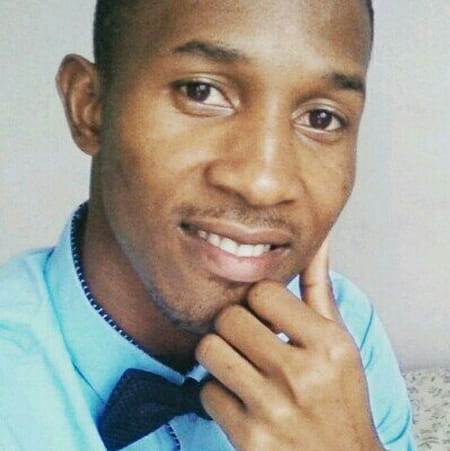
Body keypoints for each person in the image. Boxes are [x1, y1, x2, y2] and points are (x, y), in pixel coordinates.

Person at [0, 0, 416, 449]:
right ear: (89, 106)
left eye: (321, 118)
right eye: (201, 92)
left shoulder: (345, 337)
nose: (263, 184)